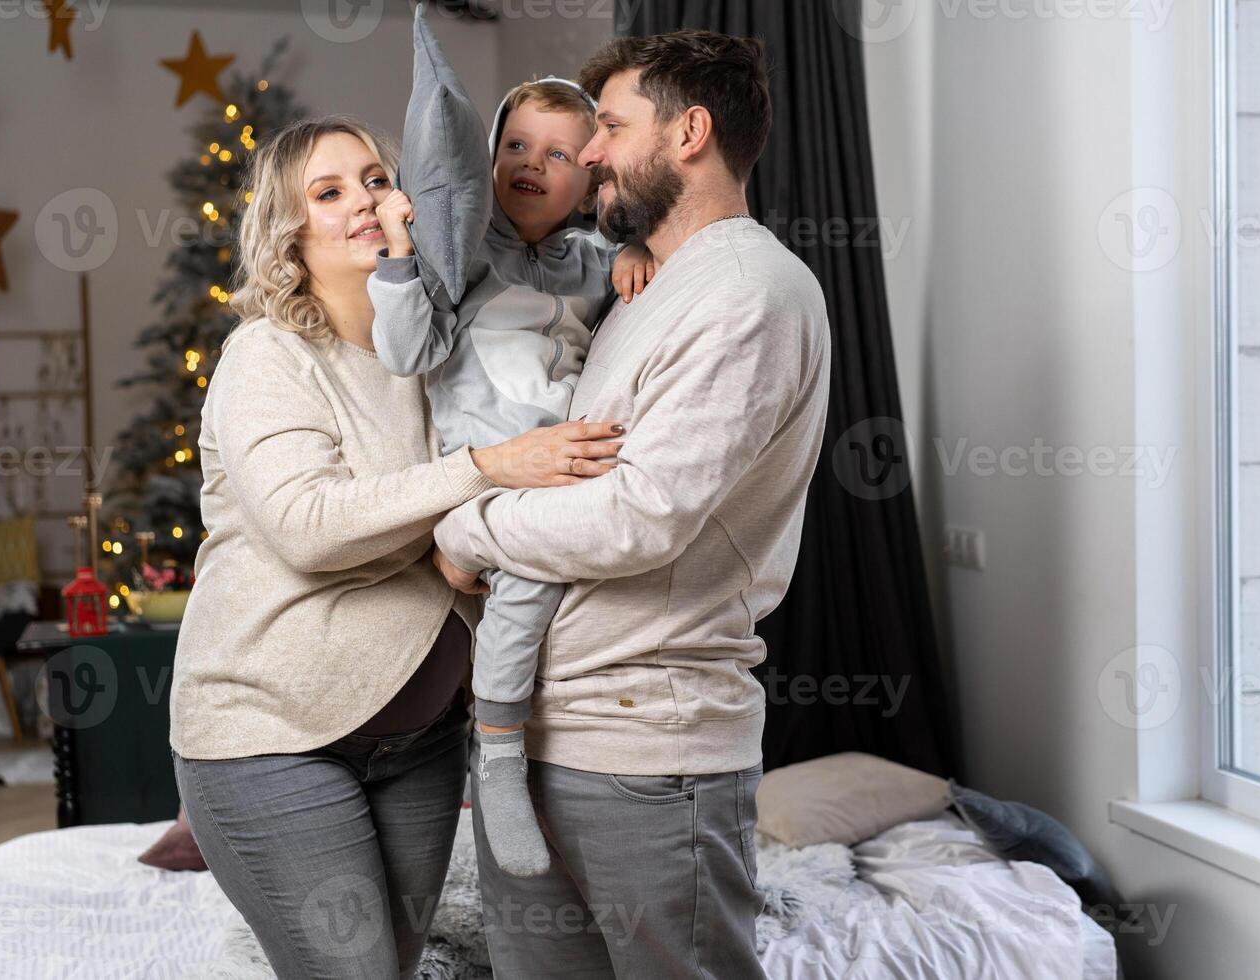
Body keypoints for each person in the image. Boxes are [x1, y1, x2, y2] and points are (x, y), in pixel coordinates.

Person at [167, 114, 624, 980]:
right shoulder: (267, 358)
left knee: (394, 967)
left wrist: (628, 257)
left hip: (419, 745)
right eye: (329, 192)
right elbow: (311, 526)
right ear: (289, 231)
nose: (364, 202)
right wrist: (484, 469)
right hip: (271, 741)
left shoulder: (437, 349)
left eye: (376, 179)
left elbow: (476, 526)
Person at [430, 30, 833, 978]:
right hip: (541, 735)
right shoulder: (645, 289)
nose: (592, 151)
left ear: (690, 132)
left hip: (650, 749)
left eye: (610, 125)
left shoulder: (746, 292)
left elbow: (637, 517)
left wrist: (463, 521)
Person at [368, 3, 652, 879]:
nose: (532, 165)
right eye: (516, 148)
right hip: (484, 479)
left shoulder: (586, 261)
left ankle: (527, 749)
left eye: (559, 154)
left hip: (561, 470)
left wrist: (641, 249)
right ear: (490, 160)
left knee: (589, 584)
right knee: (523, 582)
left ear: (589, 176)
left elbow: (632, 298)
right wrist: (403, 258)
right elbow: (406, 350)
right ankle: (497, 756)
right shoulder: (464, 257)